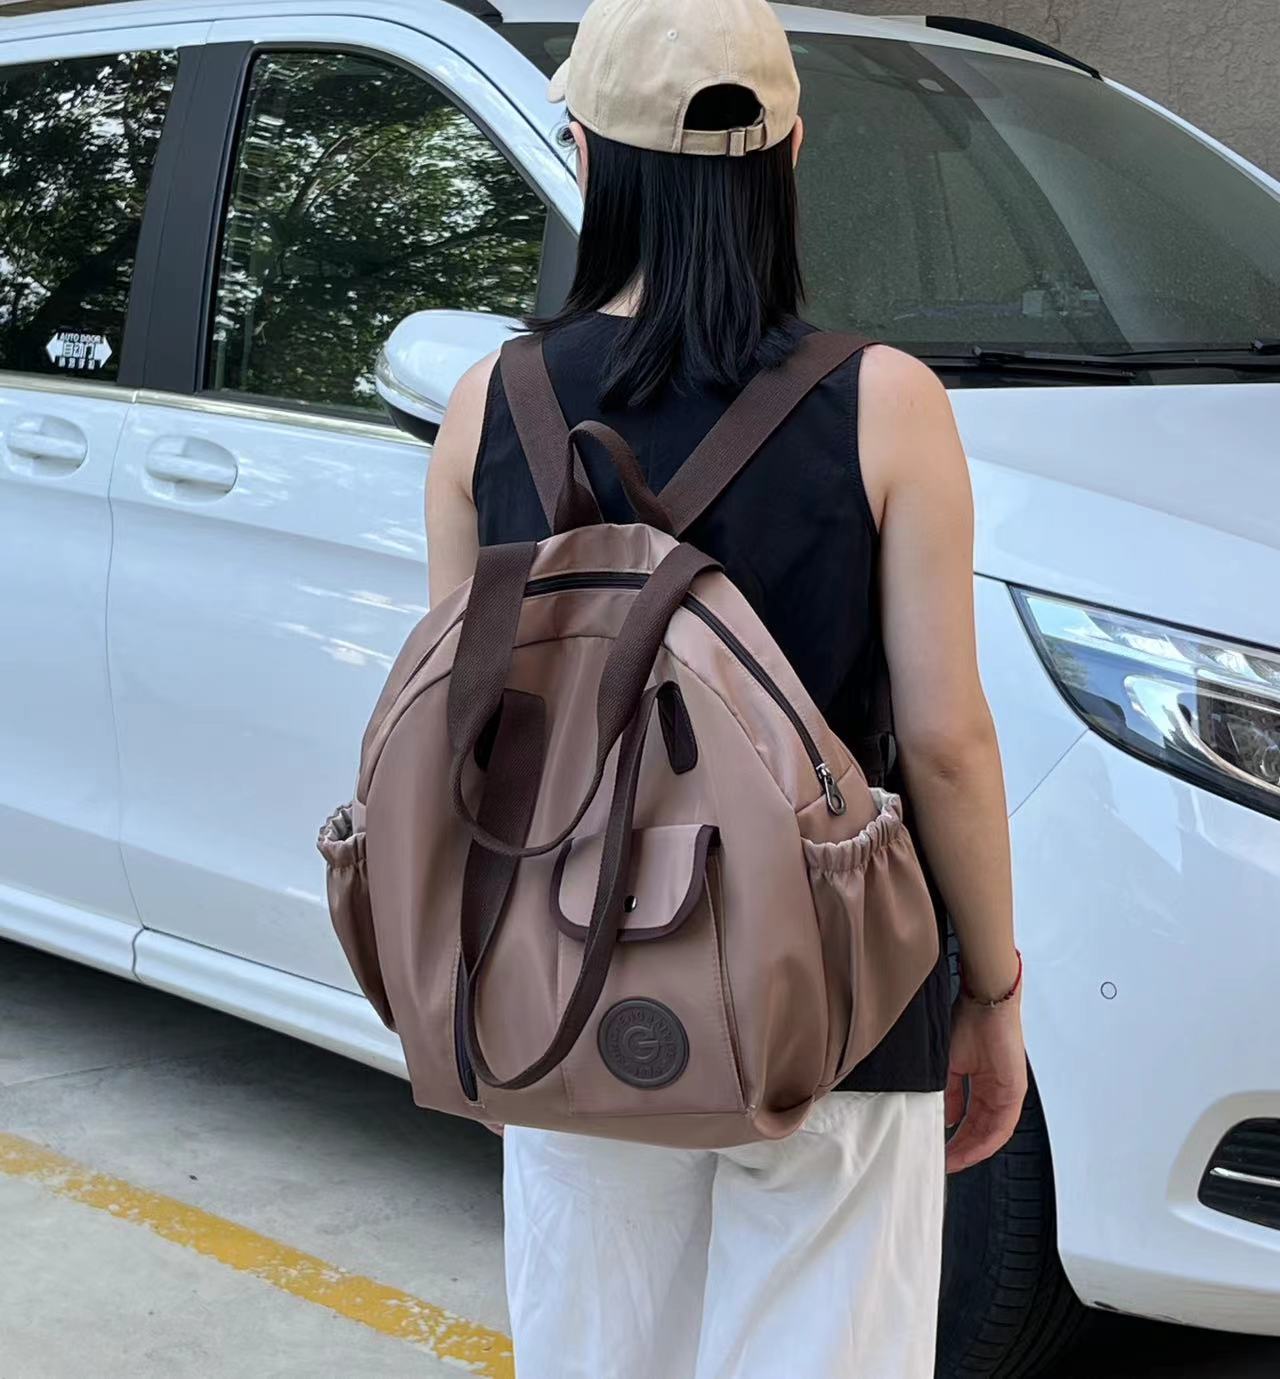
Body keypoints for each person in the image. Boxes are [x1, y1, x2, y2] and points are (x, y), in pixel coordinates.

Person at [427, 1, 1026, 1373]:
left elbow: (463, 738)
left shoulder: (490, 405)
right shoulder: (885, 401)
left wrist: (470, 987)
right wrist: (991, 992)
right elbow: (945, 742)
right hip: (839, 988)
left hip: (570, 973)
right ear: (792, 154)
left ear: (587, 153)